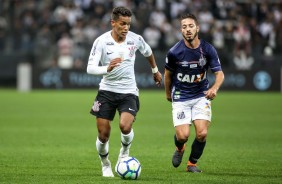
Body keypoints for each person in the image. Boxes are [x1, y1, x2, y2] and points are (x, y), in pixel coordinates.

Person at [86, 6, 162, 177]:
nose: (126, 28)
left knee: (125, 126)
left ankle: (124, 152)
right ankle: (105, 164)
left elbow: (148, 52)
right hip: (106, 91)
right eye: (122, 24)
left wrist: (155, 70)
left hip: (129, 92)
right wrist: (107, 67)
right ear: (113, 23)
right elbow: (90, 68)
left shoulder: (135, 39)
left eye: (128, 24)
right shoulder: (101, 41)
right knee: (103, 135)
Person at [164, 13, 224, 173]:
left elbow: (220, 74)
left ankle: (192, 164)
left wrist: (214, 88)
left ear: (197, 28)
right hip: (181, 97)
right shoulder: (174, 52)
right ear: (181, 31)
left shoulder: (208, 49)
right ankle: (180, 148)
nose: (188, 29)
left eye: (191, 26)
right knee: (183, 136)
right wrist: (168, 93)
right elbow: (168, 74)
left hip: (200, 95)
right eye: (184, 27)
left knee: (202, 133)